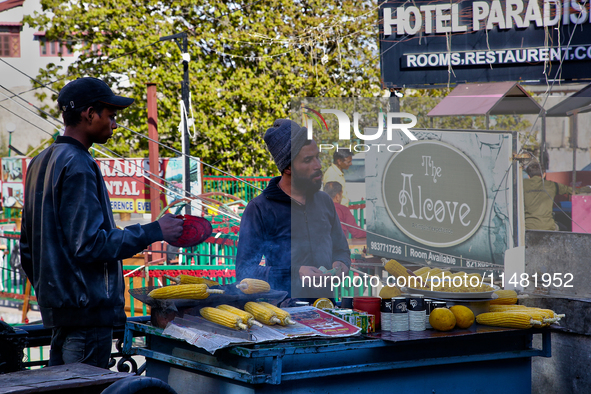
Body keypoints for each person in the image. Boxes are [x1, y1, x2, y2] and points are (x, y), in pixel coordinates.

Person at [20, 77, 184, 369]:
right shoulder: (79, 164)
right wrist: (155, 230)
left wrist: (54, 300)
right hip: (86, 317)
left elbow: (27, 249)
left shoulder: (40, 162)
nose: (114, 124)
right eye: (110, 116)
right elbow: (91, 244)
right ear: (89, 114)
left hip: (59, 314)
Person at [235, 119, 351, 299]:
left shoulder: (324, 201)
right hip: (283, 312)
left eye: (317, 157)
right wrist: (295, 273)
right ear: (288, 167)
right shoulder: (260, 208)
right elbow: (244, 271)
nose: (318, 165)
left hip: (326, 308)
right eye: (308, 160)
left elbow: (341, 249)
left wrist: (341, 263)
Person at [523, 162, 590, 230]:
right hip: (548, 226)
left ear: (528, 176)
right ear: (544, 174)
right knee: (564, 228)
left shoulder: (522, 184)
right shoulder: (552, 185)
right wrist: (588, 188)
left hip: (527, 226)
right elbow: (573, 191)